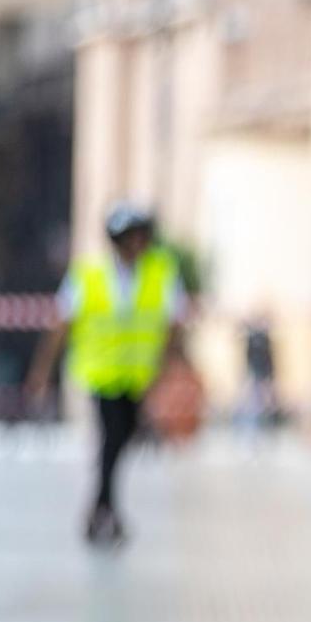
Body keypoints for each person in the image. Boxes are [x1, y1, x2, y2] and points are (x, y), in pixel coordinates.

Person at [24, 203, 189, 548]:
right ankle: (107, 511)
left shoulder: (160, 271)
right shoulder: (90, 274)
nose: (138, 245)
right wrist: (42, 371)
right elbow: (61, 324)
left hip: (140, 375)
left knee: (121, 438)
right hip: (100, 374)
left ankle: (100, 507)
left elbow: (175, 322)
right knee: (112, 437)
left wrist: (172, 365)